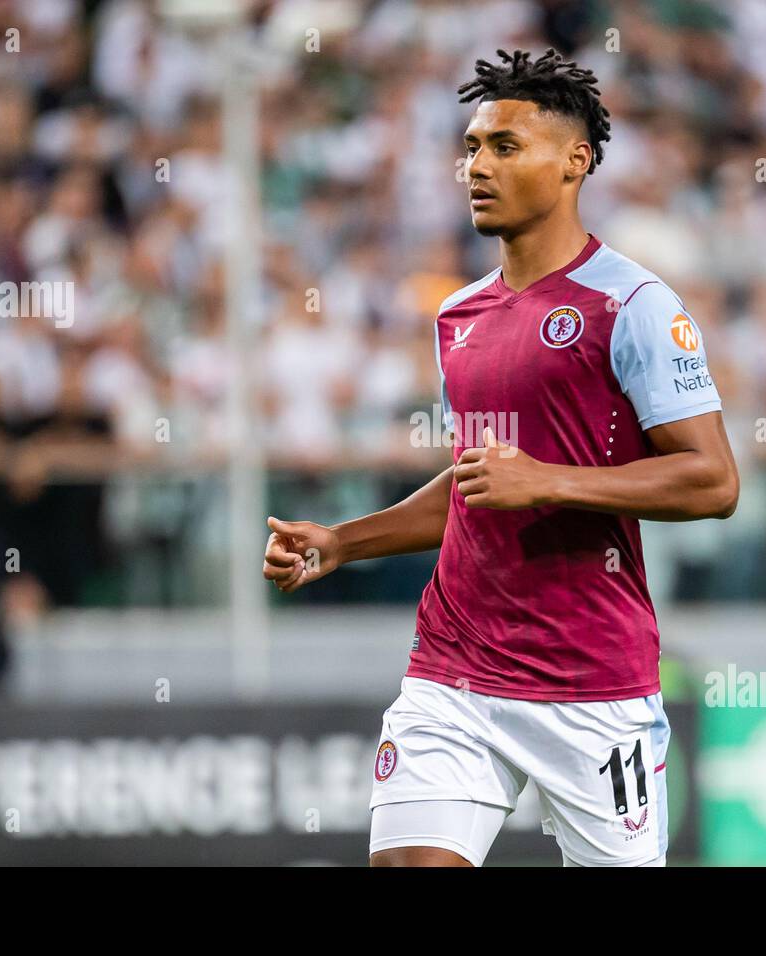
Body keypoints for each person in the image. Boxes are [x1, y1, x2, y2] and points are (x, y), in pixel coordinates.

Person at [262, 48, 739, 867]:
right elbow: (477, 483)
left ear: (573, 163)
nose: (476, 166)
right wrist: (344, 541)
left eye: (505, 147)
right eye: (473, 147)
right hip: (452, 669)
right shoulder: (458, 314)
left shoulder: (633, 305)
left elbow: (714, 480)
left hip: (591, 681)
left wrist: (548, 480)